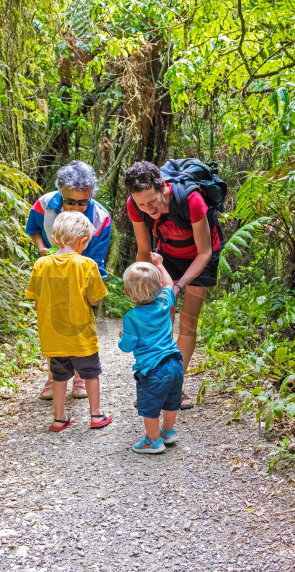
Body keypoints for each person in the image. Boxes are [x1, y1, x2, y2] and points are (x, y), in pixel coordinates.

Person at [124, 161, 221, 409]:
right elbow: (144, 250)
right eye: (141, 204)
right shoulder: (135, 206)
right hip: (166, 256)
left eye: (152, 202)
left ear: (162, 187)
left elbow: (204, 252)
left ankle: (175, 387)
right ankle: (158, 384)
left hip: (201, 258)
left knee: (188, 320)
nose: (148, 209)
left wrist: (176, 288)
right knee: (162, 316)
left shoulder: (192, 200)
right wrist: (140, 290)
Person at [26, 160, 112, 400]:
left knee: (79, 325)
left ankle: (80, 378)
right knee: (53, 323)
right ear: (60, 192)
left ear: (91, 194)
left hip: (83, 276)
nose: (76, 207)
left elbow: (94, 259)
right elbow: (33, 228)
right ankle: (54, 377)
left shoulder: (101, 218)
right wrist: (43, 248)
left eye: (83, 202)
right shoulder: (44, 204)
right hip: (51, 274)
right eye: (70, 201)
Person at [25, 211, 113, 432]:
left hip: (53, 336)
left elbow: (36, 299)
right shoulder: (87, 265)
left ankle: (59, 418)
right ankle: (95, 415)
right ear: (83, 242)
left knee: (59, 376)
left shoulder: (41, 265)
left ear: (54, 240)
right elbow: (94, 300)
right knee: (91, 374)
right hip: (82, 336)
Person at [118, 254, 183, 454]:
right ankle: (168, 432)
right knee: (172, 402)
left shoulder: (132, 317)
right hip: (175, 363)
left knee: (150, 406)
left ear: (127, 292)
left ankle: (153, 441)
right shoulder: (164, 303)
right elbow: (170, 284)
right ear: (158, 289)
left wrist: (121, 336)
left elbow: (127, 346)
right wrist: (160, 265)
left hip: (153, 370)